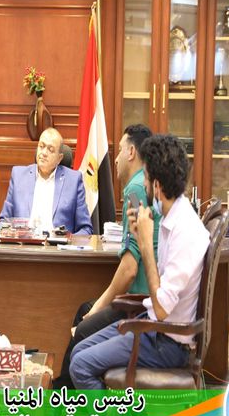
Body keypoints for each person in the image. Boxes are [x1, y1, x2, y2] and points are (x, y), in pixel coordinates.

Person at [69, 134, 210, 389]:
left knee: (80, 365)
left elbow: (163, 308)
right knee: (78, 349)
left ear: (156, 186)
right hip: (153, 326)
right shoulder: (170, 217)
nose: (142, 184)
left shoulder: (186, 230)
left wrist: (145, 244)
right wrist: (139, 236)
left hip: (167, 343)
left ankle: (115, 415)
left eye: (145, 177)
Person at [55, 124, 158, 388]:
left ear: (132, 152)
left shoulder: (135, 189)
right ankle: (63, 389)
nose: (116, 158)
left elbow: (130, 269)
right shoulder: (146, 185)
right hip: (143, 300)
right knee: (84, 310)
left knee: (84, 328)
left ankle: (66, 396)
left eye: (120, 150)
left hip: (140, 305)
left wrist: (99, 307)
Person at [0, 127, 93, 235]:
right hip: (24, 243)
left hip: (57, 245)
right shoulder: (19, 176)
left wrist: (68, 240)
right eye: (41, 146)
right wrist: (11, 234)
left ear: (59, 158)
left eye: (50, 150)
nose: (43, 153)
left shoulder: (73, 181)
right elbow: (3, 222)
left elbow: (86, 229)